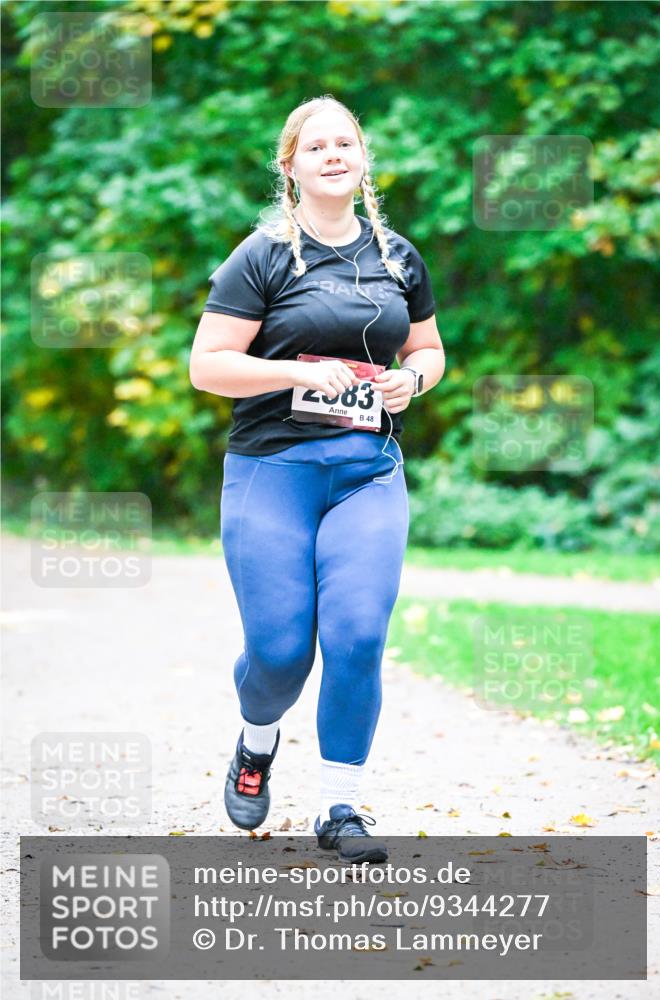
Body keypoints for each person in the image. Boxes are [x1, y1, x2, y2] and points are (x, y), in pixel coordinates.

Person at [189, 95, 445, 864]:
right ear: (290, 166)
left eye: (346, 143)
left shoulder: (398, 255)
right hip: (272, 470)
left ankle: (342, 807)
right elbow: (208, 367)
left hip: (366, 472)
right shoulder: (262, 254)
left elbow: (429, 349)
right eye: (316, 146)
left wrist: (413, 383)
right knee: (277, 653)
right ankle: (255, 742)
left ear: (362, 159)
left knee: (358, 636)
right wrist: (290, 372)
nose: (333, 154)